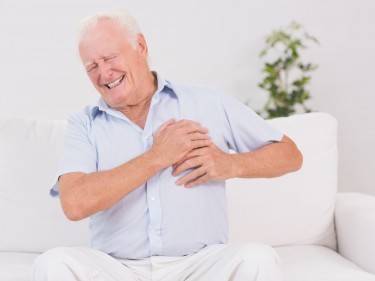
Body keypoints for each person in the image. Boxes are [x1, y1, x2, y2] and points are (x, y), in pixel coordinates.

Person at [33, 9, 303, 281]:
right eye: (91, 66)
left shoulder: (208, 102)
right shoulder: (84, 124)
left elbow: (290, 155)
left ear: (140, 46)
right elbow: (75, 203)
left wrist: (229, 164)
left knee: (257, 259)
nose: (103, 72)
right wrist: (157, 156)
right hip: (118, 269)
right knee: (54, 264)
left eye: (110, 57)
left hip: (201, 266)